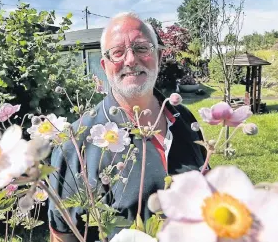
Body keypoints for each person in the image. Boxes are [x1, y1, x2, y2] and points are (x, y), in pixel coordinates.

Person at [48, 12, 207, 242]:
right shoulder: (74, 145)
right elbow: (63, 235)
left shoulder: (183, 119)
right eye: (118, 52)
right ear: (104, 66)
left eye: (141, 48)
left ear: (159, 57)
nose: (131, 60)